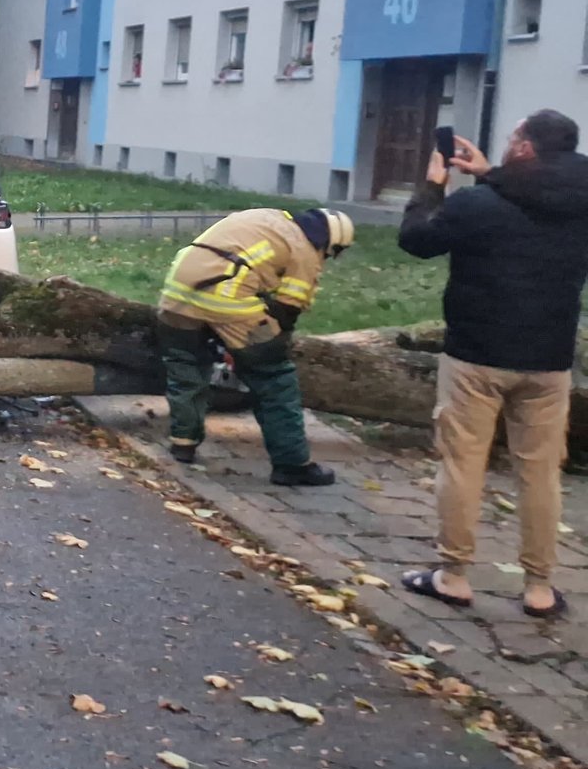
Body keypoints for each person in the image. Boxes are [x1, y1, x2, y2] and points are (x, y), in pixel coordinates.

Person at [397, 110, 588, 620]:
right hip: (549, 360)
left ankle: (454, 575)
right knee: (542, 473)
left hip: (476, 356)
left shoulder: (476, 206)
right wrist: (487, 173)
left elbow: (416, 240)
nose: (506, 145)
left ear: (525, 149)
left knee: (463, 465)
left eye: (512, 138)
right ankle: (540, 588)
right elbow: (537, 197)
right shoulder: (580, 203)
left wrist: (435, 186)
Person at [156, 206, 355, 485]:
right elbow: (288, 308)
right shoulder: (306, 250)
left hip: (176, 291)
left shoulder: (267, 217)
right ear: (332, 243)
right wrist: (269, 344)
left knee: (185, 368)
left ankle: (183, 444)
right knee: (274, 378)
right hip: (227, 298)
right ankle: (292, 464)